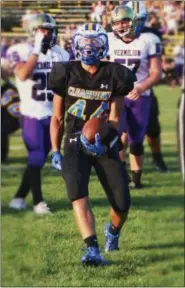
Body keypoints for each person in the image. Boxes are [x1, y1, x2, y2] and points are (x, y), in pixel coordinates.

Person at [48, 23, 136, 265]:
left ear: (104, 44)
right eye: (85, 42)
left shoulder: (116, 74)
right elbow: (56, 117)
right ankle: (92, 249)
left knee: (122, 203)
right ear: (76, 44)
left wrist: (105, 141)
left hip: (104, 141)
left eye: (94, 42)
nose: (89, 47)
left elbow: (116, 118)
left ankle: (113, 232)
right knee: (78, 193)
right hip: (75, 139)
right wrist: (55, 151)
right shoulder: (64, 72)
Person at [7, 13, 69, 214]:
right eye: (41, 30)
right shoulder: (20, 50)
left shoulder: (61, 54)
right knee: (36, 157)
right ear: (32, 32)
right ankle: (38, 203)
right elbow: (23, 74)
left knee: (39, 160)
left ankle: (18, 198)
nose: (46, 34)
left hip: (54, 115)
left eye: (49, 30)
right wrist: (36, 48)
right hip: (31, 113)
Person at [108, 5, 162, 188]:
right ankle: (120, 175)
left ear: (133, 20)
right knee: (115, 137)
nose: (120, 26)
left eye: (123, 21)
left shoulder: (149, 40)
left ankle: (136, 180)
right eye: (116, 22)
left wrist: (140, 87)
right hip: (116, 96)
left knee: (136, 139)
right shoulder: (109, 40)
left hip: (140, 96)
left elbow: (156, 73)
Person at [125, 1, 168, 172]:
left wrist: (143, 86)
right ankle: (118, 168)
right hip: (120, 92)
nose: (136, 24)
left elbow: (155, 68)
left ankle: (157, 158)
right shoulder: (113, 33)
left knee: (152, 129)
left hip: (144, 90)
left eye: (140, 19)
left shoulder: (151, 36)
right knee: (119, 131)